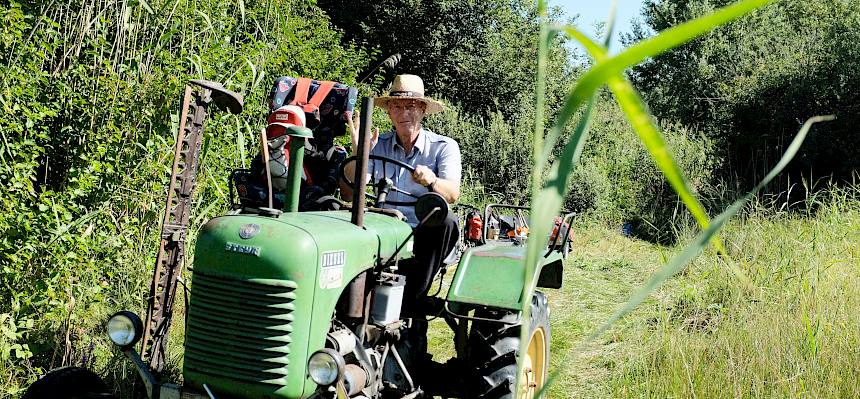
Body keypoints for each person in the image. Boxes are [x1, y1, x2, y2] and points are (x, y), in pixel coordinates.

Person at [340, 74, 461, 315]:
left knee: (446, 219)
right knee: (334, 210)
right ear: (389, 112)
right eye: (397, 106)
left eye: (411, 106)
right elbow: (349, 195)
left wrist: (432, 180)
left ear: (423, 110)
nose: (404, 112)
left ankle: (412, 302)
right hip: (384, 225)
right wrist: (359, 154)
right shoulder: (377, 143)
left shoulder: (443, 147)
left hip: (422, 229)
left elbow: (452, 194)